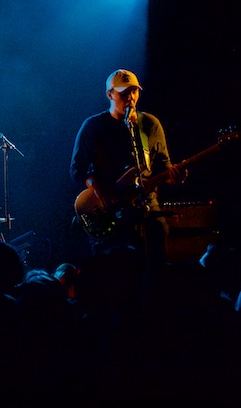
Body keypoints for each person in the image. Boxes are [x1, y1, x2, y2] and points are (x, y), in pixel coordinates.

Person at [70, 69, 185, 265]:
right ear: (110, 94)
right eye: (124, 93)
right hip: (110, 210)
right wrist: (97, 189)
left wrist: (174, 176)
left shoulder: (149, 124)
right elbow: (77, 170)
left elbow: (162, 166)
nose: (131, 97)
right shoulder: (93, 126)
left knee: (158, 239)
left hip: (146, 205)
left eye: (134, 91)